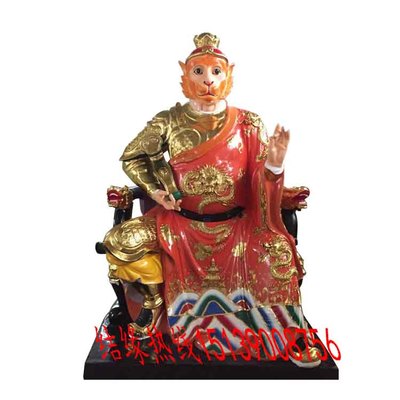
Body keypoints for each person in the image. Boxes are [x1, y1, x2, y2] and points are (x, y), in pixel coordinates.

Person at [102, 33, 321, 367]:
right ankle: (151, 310)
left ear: (228, 75)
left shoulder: (248, 123)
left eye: (216, 72)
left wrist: (274, 164)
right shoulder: (168, 121)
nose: (208, 80)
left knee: (278, 253)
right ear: (185, 75)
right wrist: (156, 190)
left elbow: (258, 182)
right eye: (199, 71)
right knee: (119, 241)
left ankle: (282, 335)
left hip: (237, 227)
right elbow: (132, 157)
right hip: (178, 225)